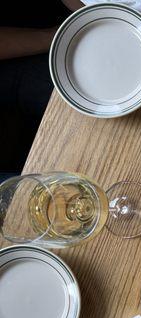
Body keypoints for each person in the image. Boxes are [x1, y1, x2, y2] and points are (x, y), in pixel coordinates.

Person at [0, 0, 83, 182]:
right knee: (78, 98)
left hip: (49, 15)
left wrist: (89, 11)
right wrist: (58, 35)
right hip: (8, 54)